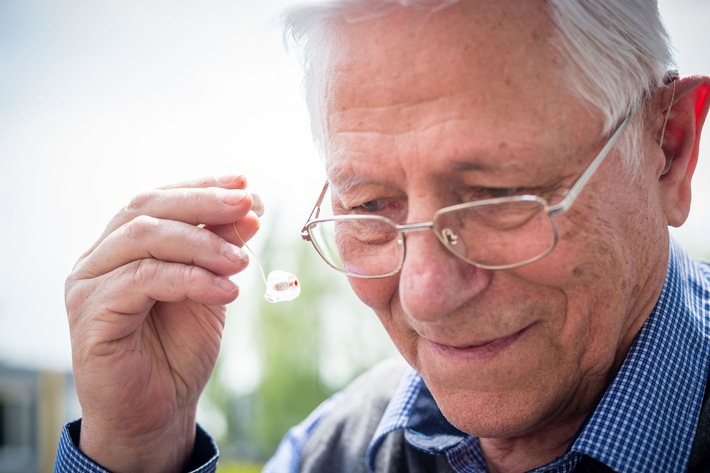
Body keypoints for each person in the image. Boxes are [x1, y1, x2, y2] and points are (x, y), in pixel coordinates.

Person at [54, 0, 710, 472]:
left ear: (668, 150)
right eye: (370, 205)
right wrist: (138, 453)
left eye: (495, 196)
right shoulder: (329, 453)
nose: (425, 295)